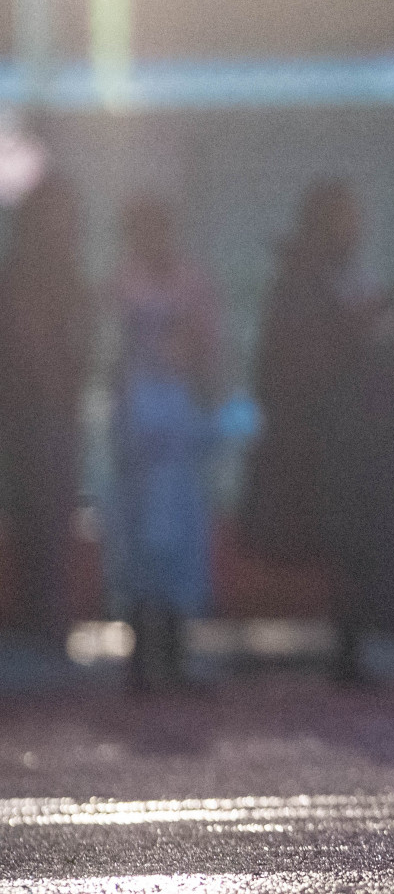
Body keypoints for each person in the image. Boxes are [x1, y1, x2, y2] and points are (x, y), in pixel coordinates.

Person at [245, 179, 394, 684]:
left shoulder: (358, 282)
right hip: (336, 444)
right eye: (343, 218)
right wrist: (354, 332)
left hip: (381, 437)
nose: (354, 228)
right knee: (358, 548)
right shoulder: (299, 288)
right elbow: (288, 368)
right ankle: (368, 650)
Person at [108, 196, 222, 690]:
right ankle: (141, 656)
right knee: (137, 535)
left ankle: (173, 652)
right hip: (138, 414)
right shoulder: (121, 286)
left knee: (177, 534)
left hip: (175, 414)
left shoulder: (191, 283)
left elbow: (209, 347)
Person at [0, 173, 92, 657]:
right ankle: (41, 617)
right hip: (30, 412)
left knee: (52, 513)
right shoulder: (24, 273)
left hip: (51, 409)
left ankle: (47, 617)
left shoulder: (64, 271)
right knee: (38, 513)